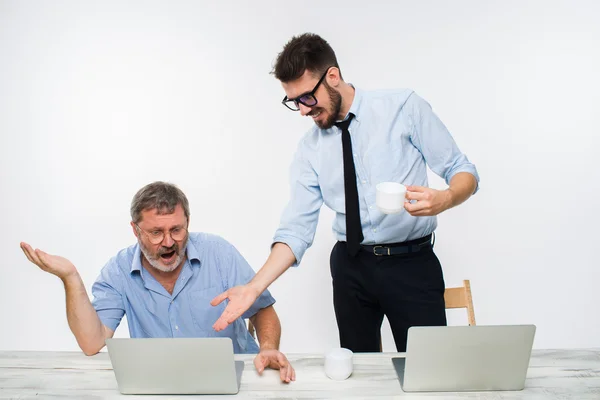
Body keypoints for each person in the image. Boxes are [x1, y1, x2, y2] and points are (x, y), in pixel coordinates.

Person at [211, 33, 480, 353]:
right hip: (351, 268)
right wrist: (255, 288)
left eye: (306, 98)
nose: (302, 110)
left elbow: (464, 172)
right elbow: (296, 230)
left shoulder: (403, 107)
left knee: (430, 368)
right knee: (359, 372)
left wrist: (445, 198)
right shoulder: (309, 150)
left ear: (333, 77)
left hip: (412, 263)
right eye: (293, 102)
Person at [20, 181, 295, 382]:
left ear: (188, 221)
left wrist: (269, 349)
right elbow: (92, 343)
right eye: (155, 233)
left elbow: (262, 310)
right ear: (135, 230)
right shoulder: (117, 271)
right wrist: (70, 277)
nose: (168, 242)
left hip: (239, 378)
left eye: (177, 229)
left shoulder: (219, 252)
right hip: (162, 384)